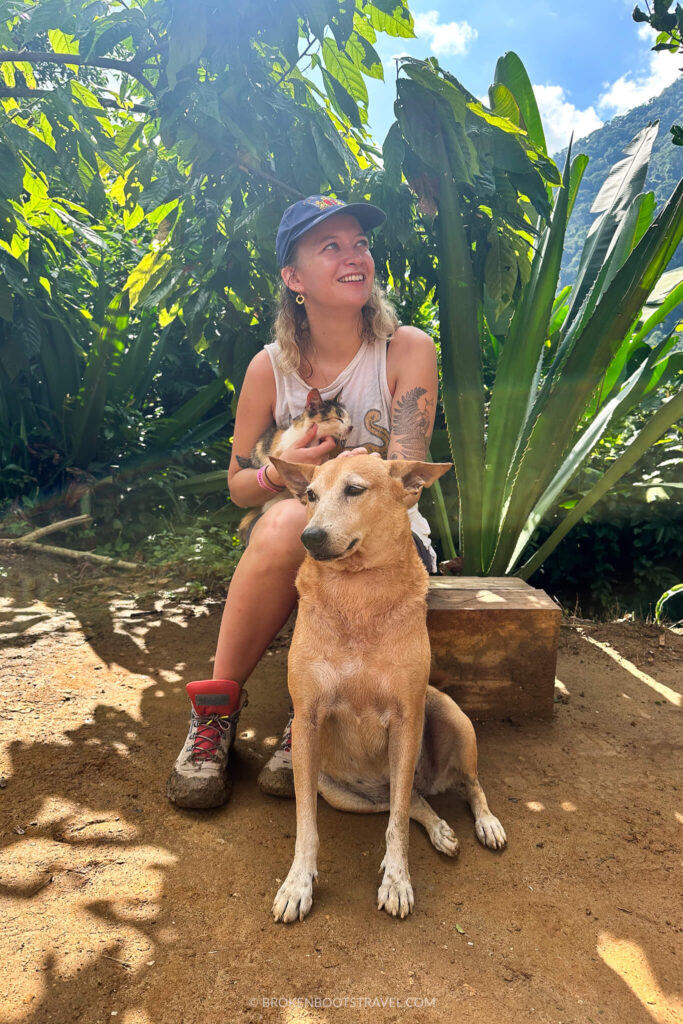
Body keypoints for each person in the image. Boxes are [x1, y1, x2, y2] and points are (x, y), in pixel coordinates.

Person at [167, 195, 439, 810]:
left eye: (361, 244)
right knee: (287, 520)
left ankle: (307, 719)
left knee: (295, 524)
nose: (355, 257)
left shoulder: (406, 349)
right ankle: (214, 719)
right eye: (332, 247)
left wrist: (338, 476)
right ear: (293, 280)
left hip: (390, 540)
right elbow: (238, 485)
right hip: (297, 531)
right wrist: (283, 475)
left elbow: (404, 480)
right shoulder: (270, 369)